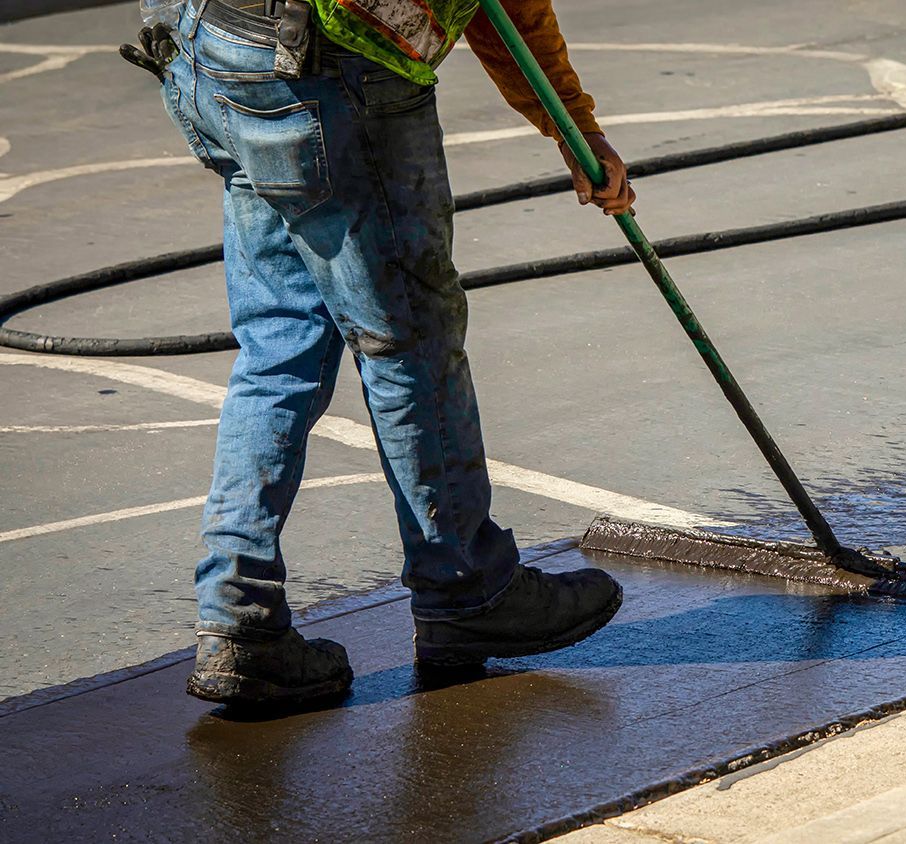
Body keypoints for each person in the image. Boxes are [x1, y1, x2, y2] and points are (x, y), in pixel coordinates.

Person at [122, 0, 632, 706]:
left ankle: (239, 622)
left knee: (281, 339)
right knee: (407, 339)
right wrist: (575, 129)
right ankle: (466, 591)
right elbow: (508, 10)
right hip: (328, 68)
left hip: (207, 41)